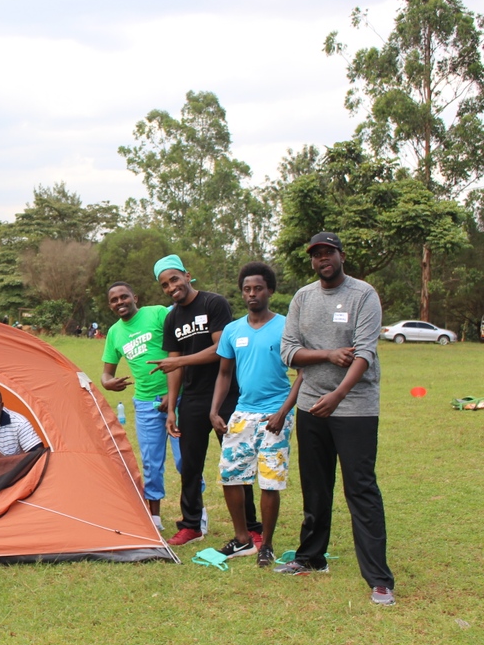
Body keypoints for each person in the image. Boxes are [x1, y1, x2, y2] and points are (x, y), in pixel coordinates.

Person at [275, 232, 395, 606]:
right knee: (315, 485)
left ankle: (379, 579)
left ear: (342, 256)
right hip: (312, 405)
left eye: (329, 252)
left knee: (360, 488)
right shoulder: (303, 298)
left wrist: (338, 395)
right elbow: (288, 352)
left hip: (355, 406)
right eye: (317, 255)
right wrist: (327, 354)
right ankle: (311, 557)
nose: (323, 259)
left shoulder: (363, 294)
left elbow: (365, 353)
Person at [148, 254, 262, 547]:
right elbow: (174, 366)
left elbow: (221, 349)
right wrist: (172, 407)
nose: (172, 287)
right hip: (194, 398)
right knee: (190, 465)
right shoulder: (172, 317)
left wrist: (181, 360)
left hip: (226, 395)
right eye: (165, 285)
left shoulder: (213, 303)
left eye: (174, 279)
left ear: (187, 275)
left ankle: (252, 527)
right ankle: (191, 525)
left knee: (236, 461)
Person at [210, 262, 303, 567]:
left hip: (276, 415)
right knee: (230, 475)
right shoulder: (233, 330)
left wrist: (283, 412)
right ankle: (242, 539)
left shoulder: (287, 326)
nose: (252, 294)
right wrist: (215, 410)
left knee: (270, 482)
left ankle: (268, 545)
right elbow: (224, 374)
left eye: (258, 288)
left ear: (270, 291)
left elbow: (303, 372)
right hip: (242, 413)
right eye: (247, 289)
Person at [100, 281, 173, 530]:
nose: (120, 302)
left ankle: (197, 516)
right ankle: (155, 519)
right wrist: (109, 384)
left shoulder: (158, 313)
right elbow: (105, 374)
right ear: (110, 305)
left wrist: (173, 394)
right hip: (145, 403)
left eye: (124, 297)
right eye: (114, 300)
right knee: (152, 462)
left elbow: (182, 348)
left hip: (178, 397)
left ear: (135, 297)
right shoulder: (114, 333)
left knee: (187, 460)